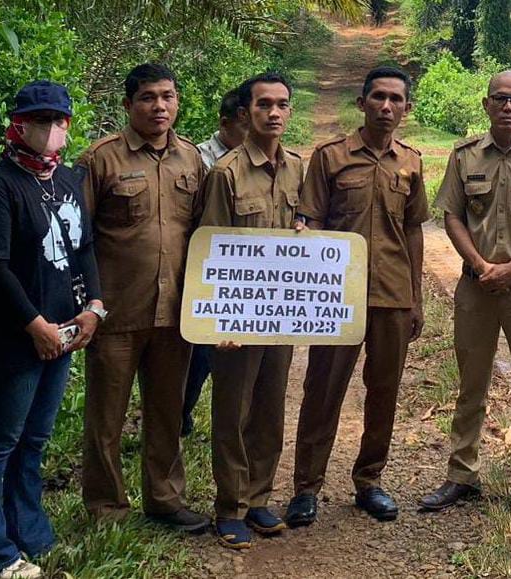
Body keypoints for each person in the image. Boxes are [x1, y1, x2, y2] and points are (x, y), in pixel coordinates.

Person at [0, 80, 105, 579]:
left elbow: (84, 247)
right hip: (13, 340)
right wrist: (35, 325)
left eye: (58, 120)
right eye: (39, 120)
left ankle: (29, 532)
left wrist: (95, 307)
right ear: (17, 124)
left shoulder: (69, 179)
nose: (50, 129)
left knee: (35, 440)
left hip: (64, 333)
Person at [419, 70, 511, 515]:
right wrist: (483, 266)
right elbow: (452, 217)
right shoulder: (464, 155)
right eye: (500, 98)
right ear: (486, 105)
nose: (508, 106)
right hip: (476, 286)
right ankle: (461, 474)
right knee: (472, 383)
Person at [285, 67, 428, 526]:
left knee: (383, 391)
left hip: (391, 296)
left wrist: (416, 296)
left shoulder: (412, 162)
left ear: (406, 109)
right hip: (336, 299)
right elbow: (309, 223)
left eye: (396, 100)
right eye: (378, 98)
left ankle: (369, 481)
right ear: (361, 102)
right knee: (323, 389)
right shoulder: (330, 158)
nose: (387, 107)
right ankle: (306, 487)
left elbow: (412, 230)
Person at [76, 63, 208, 532]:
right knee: (105, 420)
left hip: (175, 314)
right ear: (129, 104)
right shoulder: (100, 160)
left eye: (168, 96)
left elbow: (206, 236)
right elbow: (80, 239)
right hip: (116, 313)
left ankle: (165, 499)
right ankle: (106, 508)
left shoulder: (192, 160)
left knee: (167, 412)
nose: (160, 106)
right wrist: (87, 304)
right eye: (149, 97)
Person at [200, 72, 304, 549]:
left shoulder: (297, 169)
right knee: (233, 410)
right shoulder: (225, 173)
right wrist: (218, 320)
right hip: (237, 318)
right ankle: (231, 506)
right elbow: (209, 248)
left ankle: (260, 496)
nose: (275, 113)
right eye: (264, 105)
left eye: (282, 104)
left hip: (281, 314)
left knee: (269, 408)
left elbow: (307, 231)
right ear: (247, 112)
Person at [182, 88, 249, 437]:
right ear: (226, 124)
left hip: (241, 273)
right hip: (201, 269)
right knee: (196, 354)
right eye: (244, 127)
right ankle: (180, 415)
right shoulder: (201, 160)